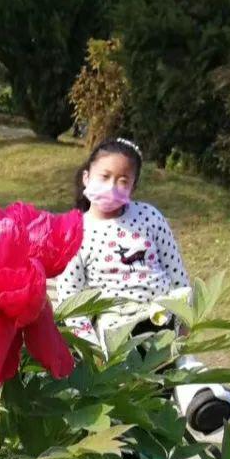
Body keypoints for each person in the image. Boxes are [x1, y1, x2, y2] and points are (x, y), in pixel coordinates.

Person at [55, 137, 190, 343]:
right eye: (105, 176)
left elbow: (177, 275)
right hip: (115, 335)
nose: (112, 187)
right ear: (86, 177)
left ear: (133, 187)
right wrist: (92, 348)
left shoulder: (150, 216)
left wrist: (184, 323)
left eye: (123, 181)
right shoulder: (75, 233)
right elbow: (70, 298)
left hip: (163, 324)